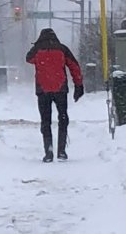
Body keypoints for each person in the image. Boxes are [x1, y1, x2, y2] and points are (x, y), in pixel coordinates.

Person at [26, 28, 84, 163]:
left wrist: (38, 46)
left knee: (45, 120)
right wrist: (78, 85)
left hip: (43, 89)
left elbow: (28, 59)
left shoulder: (37, 49)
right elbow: (74, 66)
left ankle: (48, 151)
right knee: (63, 118)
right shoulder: (62, 49)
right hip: (60, 88)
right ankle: (62, 151)